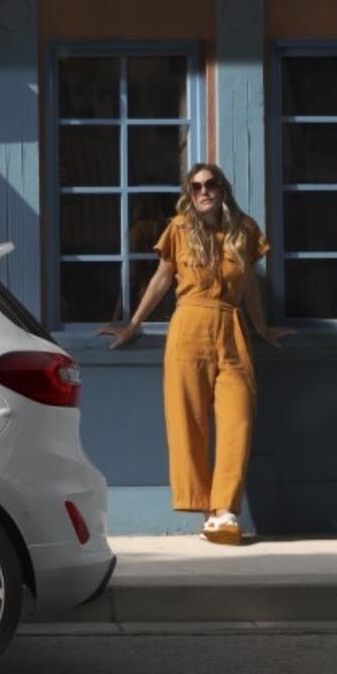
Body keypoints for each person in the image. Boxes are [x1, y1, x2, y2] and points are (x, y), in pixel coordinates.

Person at [96, 163, 293, 545]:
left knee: (238, 420)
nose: (204, 191)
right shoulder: (180, 229)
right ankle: (210, 514)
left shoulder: (245, 230)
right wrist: (132, 324)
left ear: (222, 188)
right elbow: (161, 278)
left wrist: (263, 327)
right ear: (189, 191)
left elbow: (249, 285)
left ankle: (226, 507)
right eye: (196, 185)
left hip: (232, 329)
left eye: (211, 184)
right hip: (188, 328)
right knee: (189, 422)